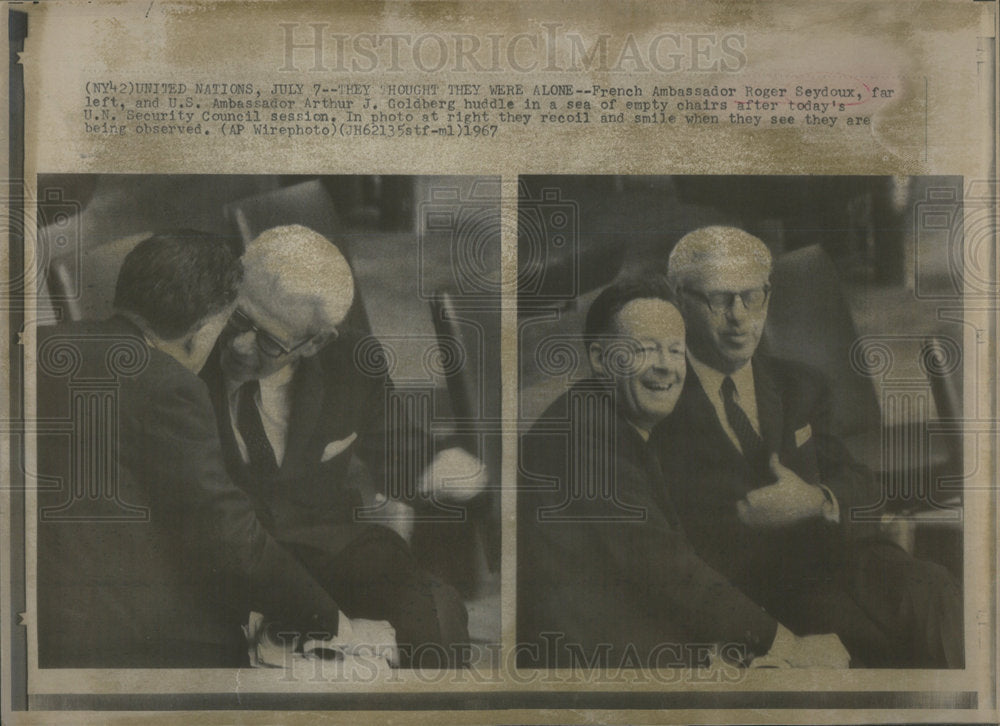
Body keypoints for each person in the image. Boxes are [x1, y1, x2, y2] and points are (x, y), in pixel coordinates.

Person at [35, 230, 381, 668]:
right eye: (232, 323)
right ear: (203, 330)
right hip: (110, 643)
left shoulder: (35, 348)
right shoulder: (170, 386)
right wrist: (337, 627)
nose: (235, 345)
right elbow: (229, 535)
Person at [655, 225, 963, 668]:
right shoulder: (660, 400)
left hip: (845, 557)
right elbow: (666, 549)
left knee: (934, 588)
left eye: (753, 296)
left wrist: (817, 500)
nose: (740, 316)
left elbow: (862, 486)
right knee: (876, 649)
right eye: (719, 299)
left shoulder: (799, 385)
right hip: (762, 589)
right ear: (678, 300)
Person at [517, 276, 850, 669]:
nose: (665, 367)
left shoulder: (614, 421)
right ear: (599, 359)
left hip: (631, 647)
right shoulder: (579, 437)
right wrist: (788, 647)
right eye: (644, 350)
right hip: (590, 673)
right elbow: (667, 571)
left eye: (675, 350)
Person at [200, 224, 485, 667]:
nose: (238, 345)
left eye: (270, 342)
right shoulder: (187, 349)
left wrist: (436, 466)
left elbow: (400, 453)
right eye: (239, 319)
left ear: (315, 342)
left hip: (326, 551)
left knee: (438, 622)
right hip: (223, 568)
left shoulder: (353, 362)